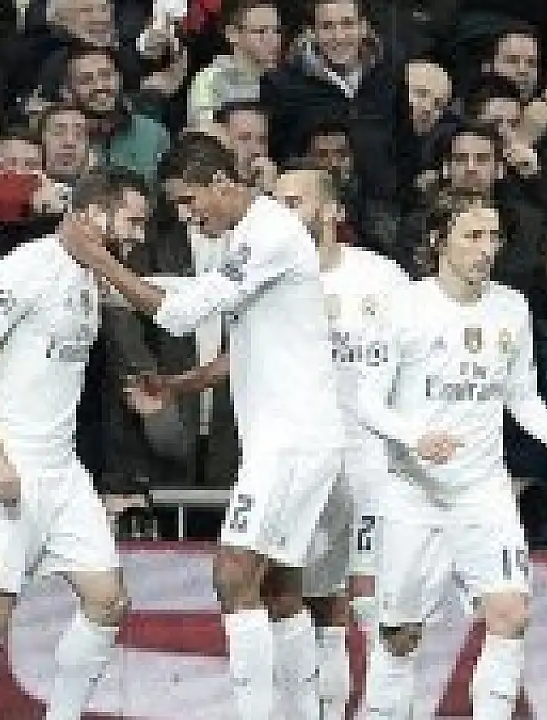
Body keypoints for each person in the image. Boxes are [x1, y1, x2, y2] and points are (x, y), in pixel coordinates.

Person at [54, 134, 345, 720]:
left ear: (220, 183)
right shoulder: (251, 238)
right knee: (279, 588)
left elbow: (183, 312)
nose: (186, 216)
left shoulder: (267, 233)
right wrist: (179, 384)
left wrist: (99, 261)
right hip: (292, 439)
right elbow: (235, 338)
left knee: (232, 573)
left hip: (291, 442)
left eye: (189, 201)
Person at [354, 201, 547, 719]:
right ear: (439, 240)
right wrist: (414, 436)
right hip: (414, 494)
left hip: (484, 492)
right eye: (473, 236)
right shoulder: (402, 306)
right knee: (399, 634)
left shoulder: (512, 308)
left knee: (511, 613)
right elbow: (367, 401)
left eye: (493, 237)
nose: (486, 249)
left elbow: (521, 394)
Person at [0, 171, 148, 720]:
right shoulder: (29, 265)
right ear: (94, 214)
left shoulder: (89, 278)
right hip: (6, 462)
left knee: (108, 600)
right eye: (132, 221)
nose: (138, 234)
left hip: (61, 469)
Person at [271, 163, 410, 717]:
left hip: (374, 458)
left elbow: (414, 361)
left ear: (331, 210)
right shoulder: (273, 284)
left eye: (293, 202)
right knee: (319, 602)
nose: (282, 214)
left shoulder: (383, 277)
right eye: (276, 202)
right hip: (308, 459)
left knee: (373, 599)